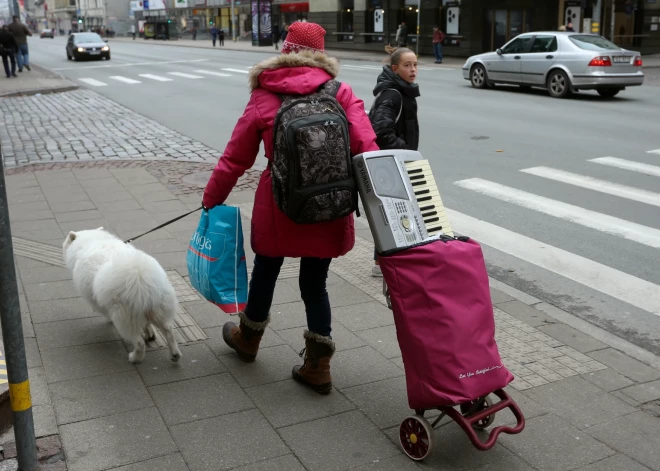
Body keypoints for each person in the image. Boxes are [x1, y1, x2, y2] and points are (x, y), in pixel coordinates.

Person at [202, 21, 379, 394]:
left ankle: (248, 340)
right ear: (321, 54)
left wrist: (212, 199)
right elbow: (367, 148)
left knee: (265, 271)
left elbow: (235, 159)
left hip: (279, 205)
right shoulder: (341, 92)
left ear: (285, 50)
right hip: (329, 203)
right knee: (315, 285)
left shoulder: (264, 95)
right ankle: (318, 366)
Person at [369, 47, 420, 277]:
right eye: (407, 65)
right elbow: (380, 130)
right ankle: (382, 264)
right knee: (392, 212)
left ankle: (385, 261)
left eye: (415, 64)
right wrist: (404, 151)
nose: (413, 70)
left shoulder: (403, 91)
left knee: (394, 211)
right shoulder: (393, 94)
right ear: (395, 68)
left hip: (394, 160)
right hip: (391, 162)